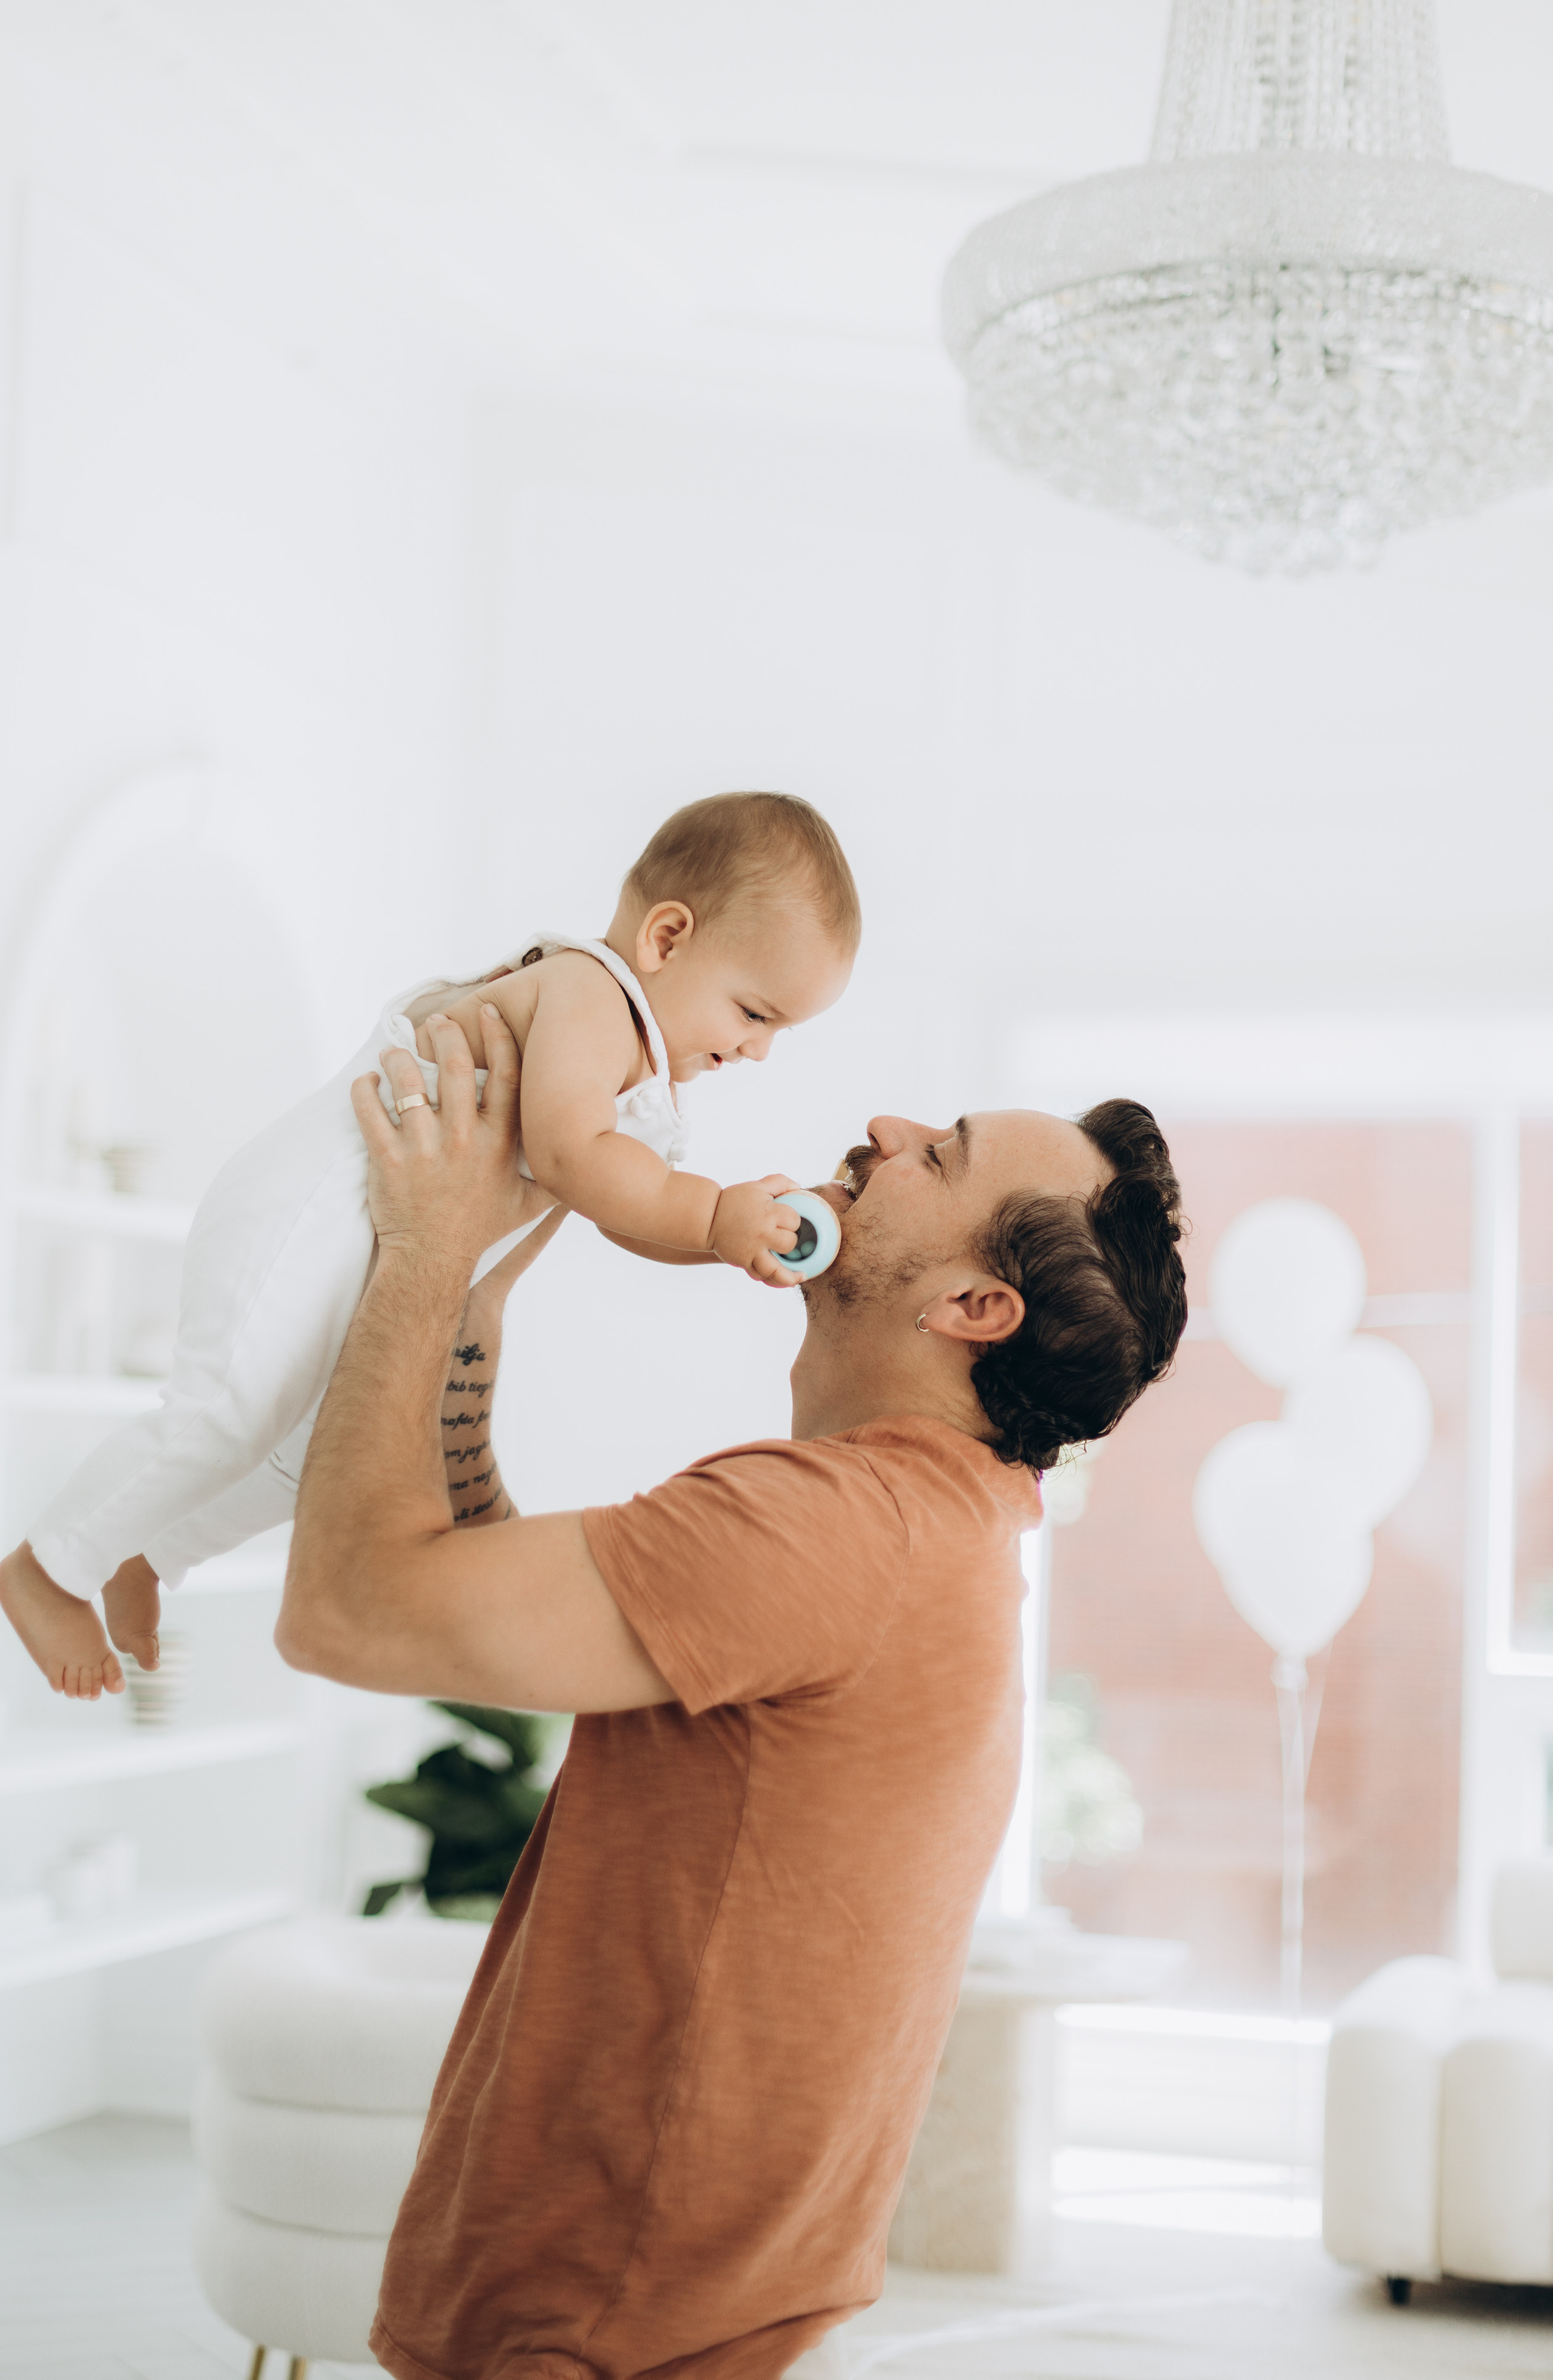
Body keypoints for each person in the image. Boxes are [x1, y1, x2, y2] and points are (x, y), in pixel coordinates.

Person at [275, 1005, 1188, 2380]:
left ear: (971, 1308)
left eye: (938, 1154)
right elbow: (480, 1593)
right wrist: (474, 1296)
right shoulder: (933, 1524)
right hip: (661, 2321)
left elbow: (348, 1609)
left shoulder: (839, 1528)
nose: (882, 1130)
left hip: (598, 2333)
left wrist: (421, 1244)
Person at [0, 790, 860, 1701]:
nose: (759, 1051)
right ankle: (50, 1568)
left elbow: (625, 1212)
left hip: (363, 1246)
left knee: (305, 1458)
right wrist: (715, 1214)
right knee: (228, 1410)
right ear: (668, 938)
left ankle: (147, 1550)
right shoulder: (592, 996)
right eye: (755, 1014)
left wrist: (725, 1244)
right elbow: (572, 1159)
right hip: (308, 1212)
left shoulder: (632, 1065)